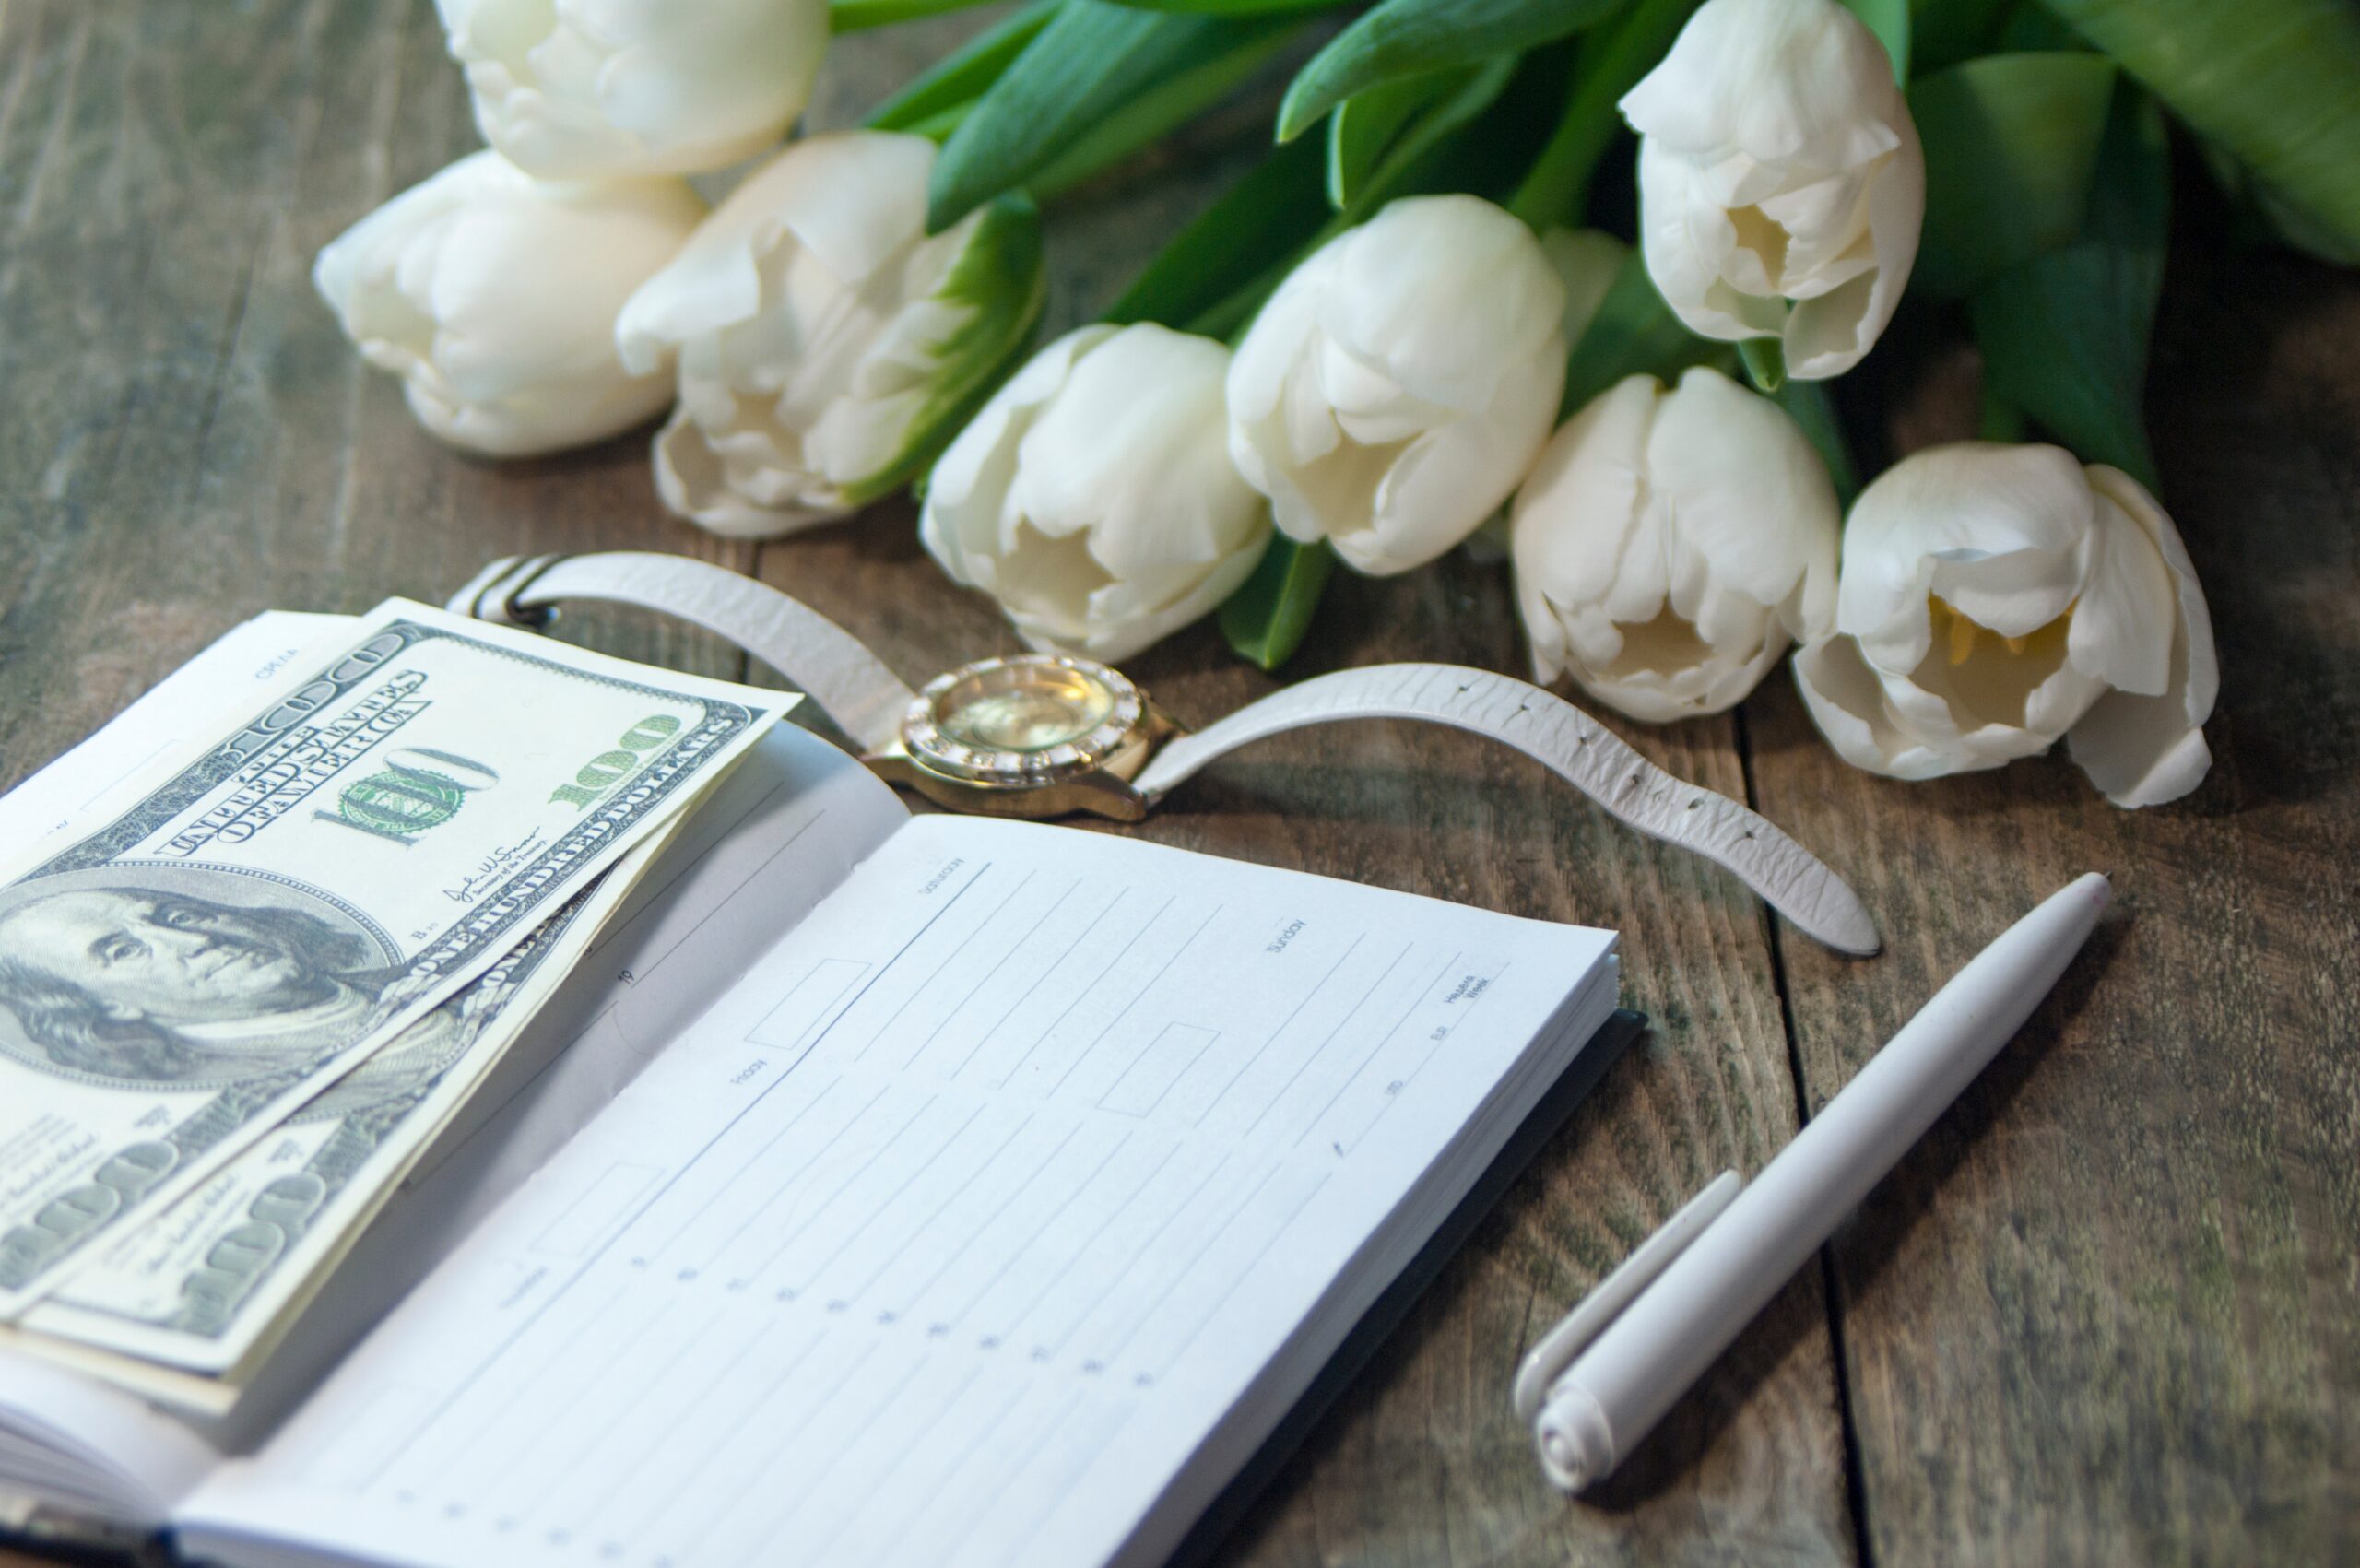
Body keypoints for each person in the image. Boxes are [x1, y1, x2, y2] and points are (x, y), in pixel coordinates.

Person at [0, 885, 394, 1088]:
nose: (196, 941)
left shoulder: (404, 977)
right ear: (106, 1004)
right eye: (124, 951)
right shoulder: (240, 1086)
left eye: (180, 917)